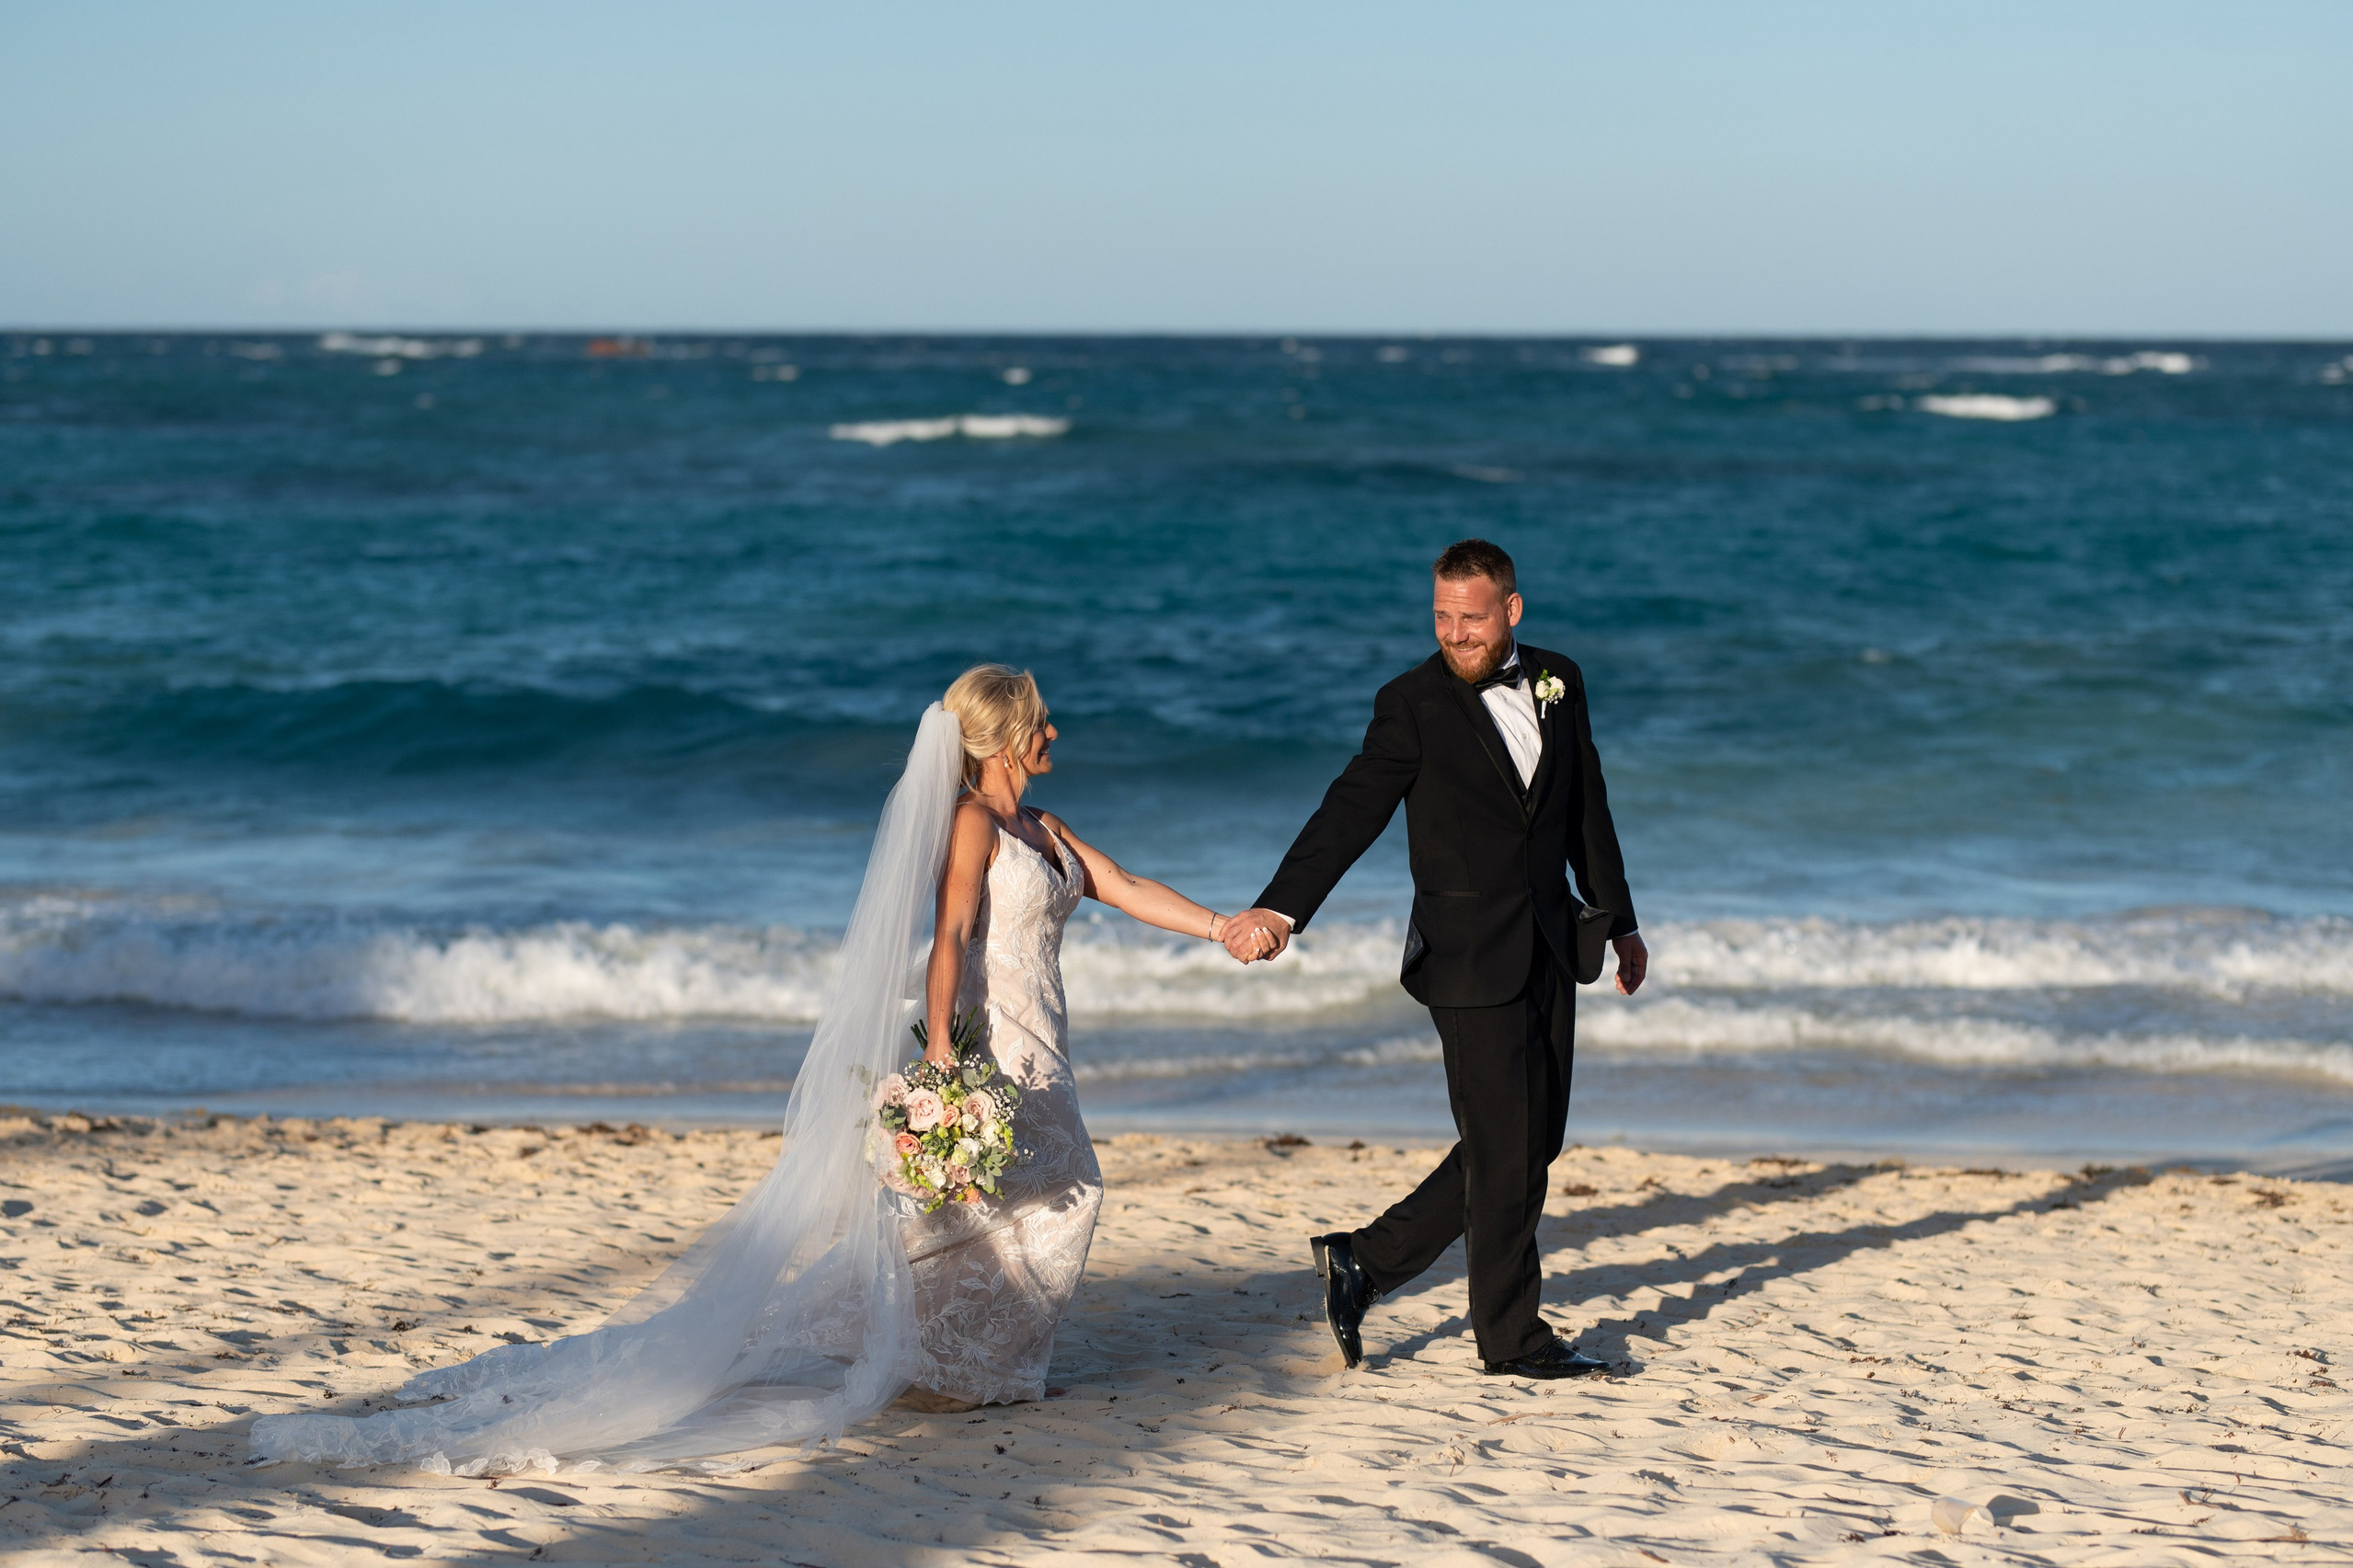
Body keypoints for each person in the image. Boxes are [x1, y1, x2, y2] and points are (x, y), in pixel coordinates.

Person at [251, 665, 1234, 1472]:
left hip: (1046, 1035)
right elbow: (949, 936)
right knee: (1051, 1194)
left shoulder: (1046, 829)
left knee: (1028, 1197)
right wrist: (938, 1045)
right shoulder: (973, 823)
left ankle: (973, 1366)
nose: (1054, 729)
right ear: (1007, 736)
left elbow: (1124, 885)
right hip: (992, 1039)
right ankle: (960, 1368)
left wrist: (1223, 926)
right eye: (1040, 720)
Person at [1221, 539, 1647, 1381]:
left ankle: (1364, 1262)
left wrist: (1621, 921)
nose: (1456, 634)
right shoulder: (1410, 703)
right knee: (1506, 1146)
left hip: (1554, 943)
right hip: (1466, 955)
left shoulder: (1561, 681)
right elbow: (1350, 810)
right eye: (1443, 617)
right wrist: (1282, 905)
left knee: (1531, 1139)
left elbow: (1585, 806)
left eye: (1473, 618)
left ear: (1512, 612)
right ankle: (1512, 1338)